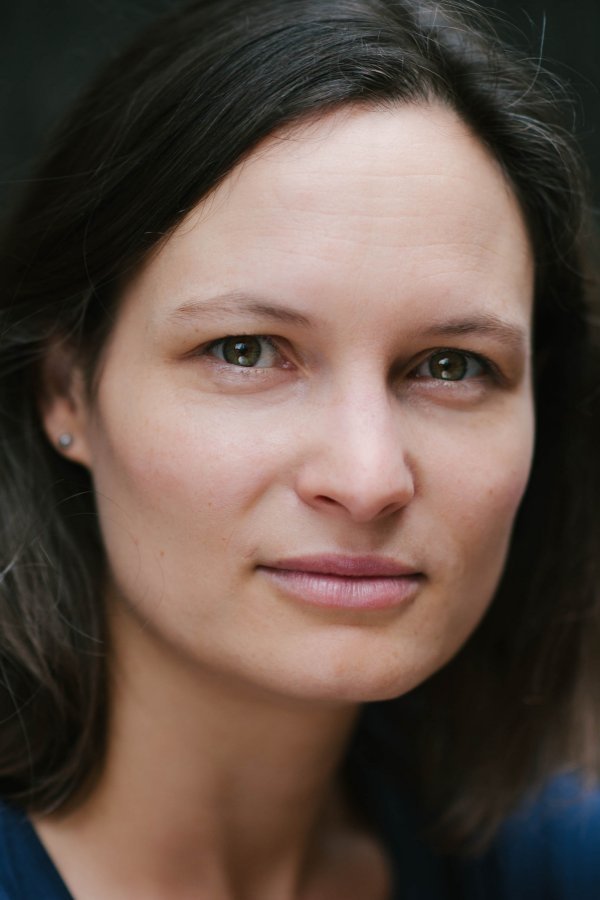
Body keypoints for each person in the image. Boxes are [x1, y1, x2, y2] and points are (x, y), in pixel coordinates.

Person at [0, 0, 599, 897]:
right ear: (67, 390)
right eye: (245, 351)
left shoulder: (554, 868)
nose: (367, 479)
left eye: (451, 365)